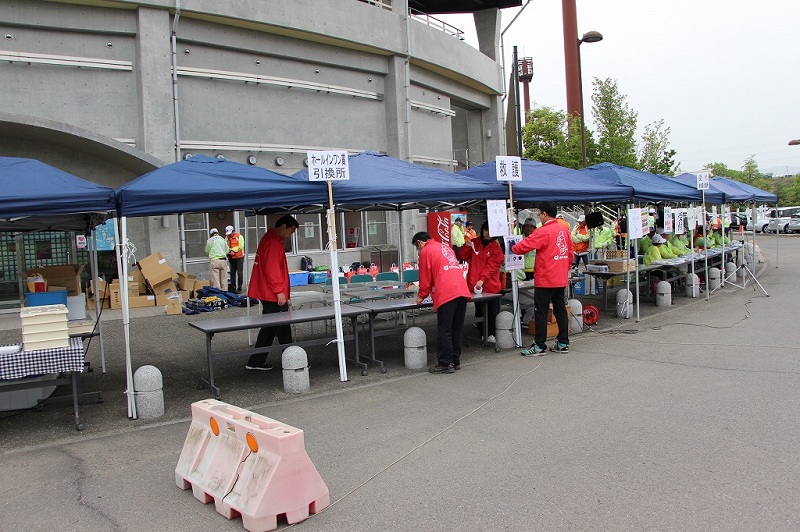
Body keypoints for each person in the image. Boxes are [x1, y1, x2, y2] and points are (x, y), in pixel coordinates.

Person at [512, 202, 574, 356]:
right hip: (560, 278)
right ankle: (563, 342)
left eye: (539, 213)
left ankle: (539, 345)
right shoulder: (564, 230)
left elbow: (522, 246)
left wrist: (511, 246)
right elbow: (570, 253)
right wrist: (563, 268)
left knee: (541, 311)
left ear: (545, 213)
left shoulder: (544, 231)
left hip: (546, 278)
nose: (539, 216)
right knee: (559, 310)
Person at [245, 215, 299, 371]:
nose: (291, 235)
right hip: (272, 293)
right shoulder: (274, 242)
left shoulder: (269, 239)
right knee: (282, 328)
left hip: (267, 292)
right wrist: (279, 292)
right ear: (283, 226)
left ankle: (256, 361)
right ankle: (293, 361)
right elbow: (272, 269)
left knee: (269, 328)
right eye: (291, 231)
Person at [413, 231, 471, 374]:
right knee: (456, 328)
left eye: (417, 247)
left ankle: (445, 363)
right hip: (461, 290)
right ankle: (455, 360)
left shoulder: (426, 251)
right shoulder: (445, 248)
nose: (418, 251)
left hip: (446, 292)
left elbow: (425, 277)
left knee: (444, 329)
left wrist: (421, 295)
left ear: (420, 243)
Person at [460, 221, 503, 344]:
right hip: (475, 285)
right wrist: (466, 246)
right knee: (479, 310)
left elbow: (492, 266)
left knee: (491, 311)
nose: (488, 233)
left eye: (490, 230)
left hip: (491, 285)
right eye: (486, 230)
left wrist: (482, 279)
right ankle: (482, 333)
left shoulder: (496, 246)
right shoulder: (474, 242)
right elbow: (463, 256)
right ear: (483, 230)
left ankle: (491, 334)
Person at [225, 225, 245, 293]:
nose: (229, 235)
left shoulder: (239, 236)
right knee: (232, 273)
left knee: (239, 273)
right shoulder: (227, 238)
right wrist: (229, 251)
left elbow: (241, 246)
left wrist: (233, 250)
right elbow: (225, 245)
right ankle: (233, 287)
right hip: (231, 257)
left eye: (230, 233)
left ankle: (239, 287)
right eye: (228, 234)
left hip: (239, 257)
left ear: (233, 231)